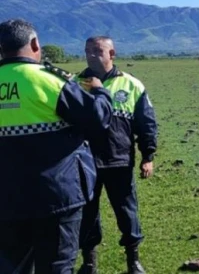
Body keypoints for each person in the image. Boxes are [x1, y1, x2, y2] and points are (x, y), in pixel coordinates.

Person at [0, 19, 113, 274]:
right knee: (56, 266)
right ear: (35, 44)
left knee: (10, 265)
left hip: (6, 199)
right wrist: (100, 92)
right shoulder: (49, 80)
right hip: (55, 196)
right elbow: (98, 119)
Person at [77, 36, 158, 274]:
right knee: (87, 215)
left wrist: (148, 155)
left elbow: (147, 123)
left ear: (112, 54)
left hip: (119, 161)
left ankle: (133, 261)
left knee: (127, 212)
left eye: (97, 50)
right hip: (85, 163)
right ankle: (89, 263)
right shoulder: (74, 84)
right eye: (87, 51)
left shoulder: (131, 85)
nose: (91, 55)